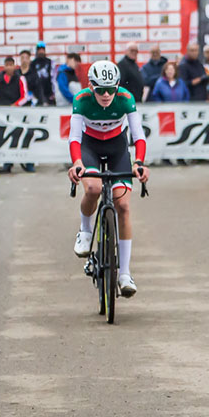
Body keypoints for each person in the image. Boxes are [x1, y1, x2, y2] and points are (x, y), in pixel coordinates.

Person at [67, 60, 150, 298]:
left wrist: (140, 163)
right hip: (89, 146)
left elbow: (138, 134)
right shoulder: (81, 100)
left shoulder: (125, 97)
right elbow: (74, 136)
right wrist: (77, 162)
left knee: (122, 205)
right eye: (100, 89)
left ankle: (124, 273)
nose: (106, 95)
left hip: (117, 147)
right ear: (91, 86)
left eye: (111, 89)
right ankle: (84, 230)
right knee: (93, 188)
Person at [0, 56, 34, 173]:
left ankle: (29, 162)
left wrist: (15, 105)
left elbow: (25, 96)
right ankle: (7, 163)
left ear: (14, 66)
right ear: (4, 66)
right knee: (5, 137)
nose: (9, 67)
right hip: (3, 112)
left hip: (18, 112)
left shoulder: (20, 78)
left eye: (11, 65)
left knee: (23, 136)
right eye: (7, 65)